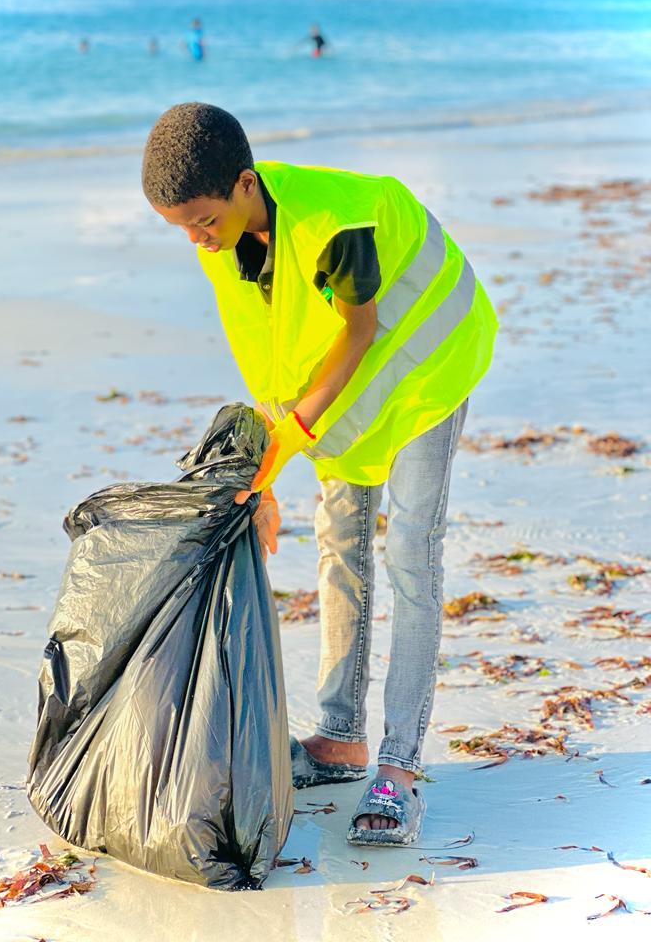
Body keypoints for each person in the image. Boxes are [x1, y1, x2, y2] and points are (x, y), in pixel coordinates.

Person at [141, 102, 498, 847]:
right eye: (180, 228)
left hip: (426, 372)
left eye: (202, 220)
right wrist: (263, 479)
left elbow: (361, 330)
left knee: (408, 556)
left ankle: (398, 767)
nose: (196, 239)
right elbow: (271, 357)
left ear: (244, 185)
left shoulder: (335, 226)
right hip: (353, 396)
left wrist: (286, 444)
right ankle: (340, 738)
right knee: (340, 544)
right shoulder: (225, 242)